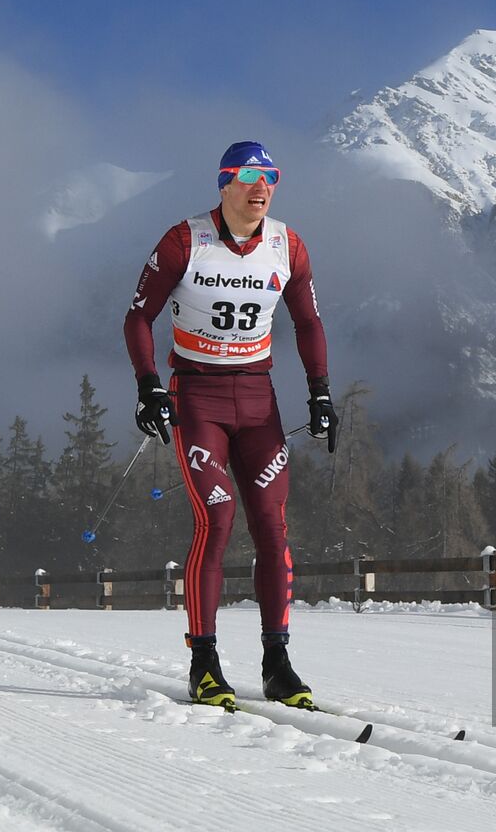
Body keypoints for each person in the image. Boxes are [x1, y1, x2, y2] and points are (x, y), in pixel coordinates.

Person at [123, 140, 338, 711]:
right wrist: (148, 385)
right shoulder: (184, 240)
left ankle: (277, 663)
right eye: (247, 176)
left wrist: (321, 393)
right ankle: (204, 662)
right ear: (224, 184)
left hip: (258, 402)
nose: (260, 187)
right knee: (217, 519)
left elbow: (309, 322)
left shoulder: (287, 245)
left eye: (270, 177)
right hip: (198, 399)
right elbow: (139, 317)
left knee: (272, 526)